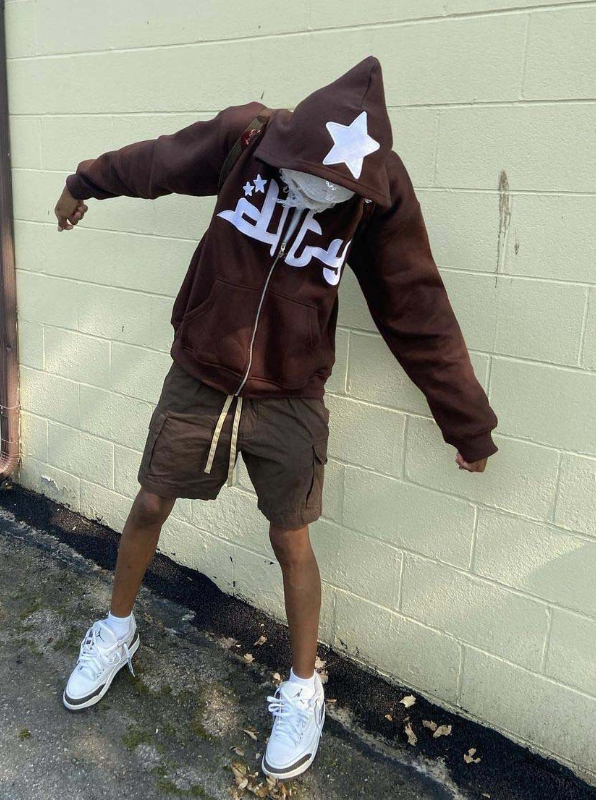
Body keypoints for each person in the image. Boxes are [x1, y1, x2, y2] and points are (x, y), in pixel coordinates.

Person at [52, 56, 497, 780]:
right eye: (308, 175)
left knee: (291, 538)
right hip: (202, 371)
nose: (318, 192)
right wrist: (84, 183)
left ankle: (303, 688)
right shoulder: (249, 137)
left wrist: (466, 422)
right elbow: (161, 160)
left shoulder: (377, 194)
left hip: (290, 392)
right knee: (151, 501)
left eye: (334, 186)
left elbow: (415, 305)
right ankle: (117, 629)